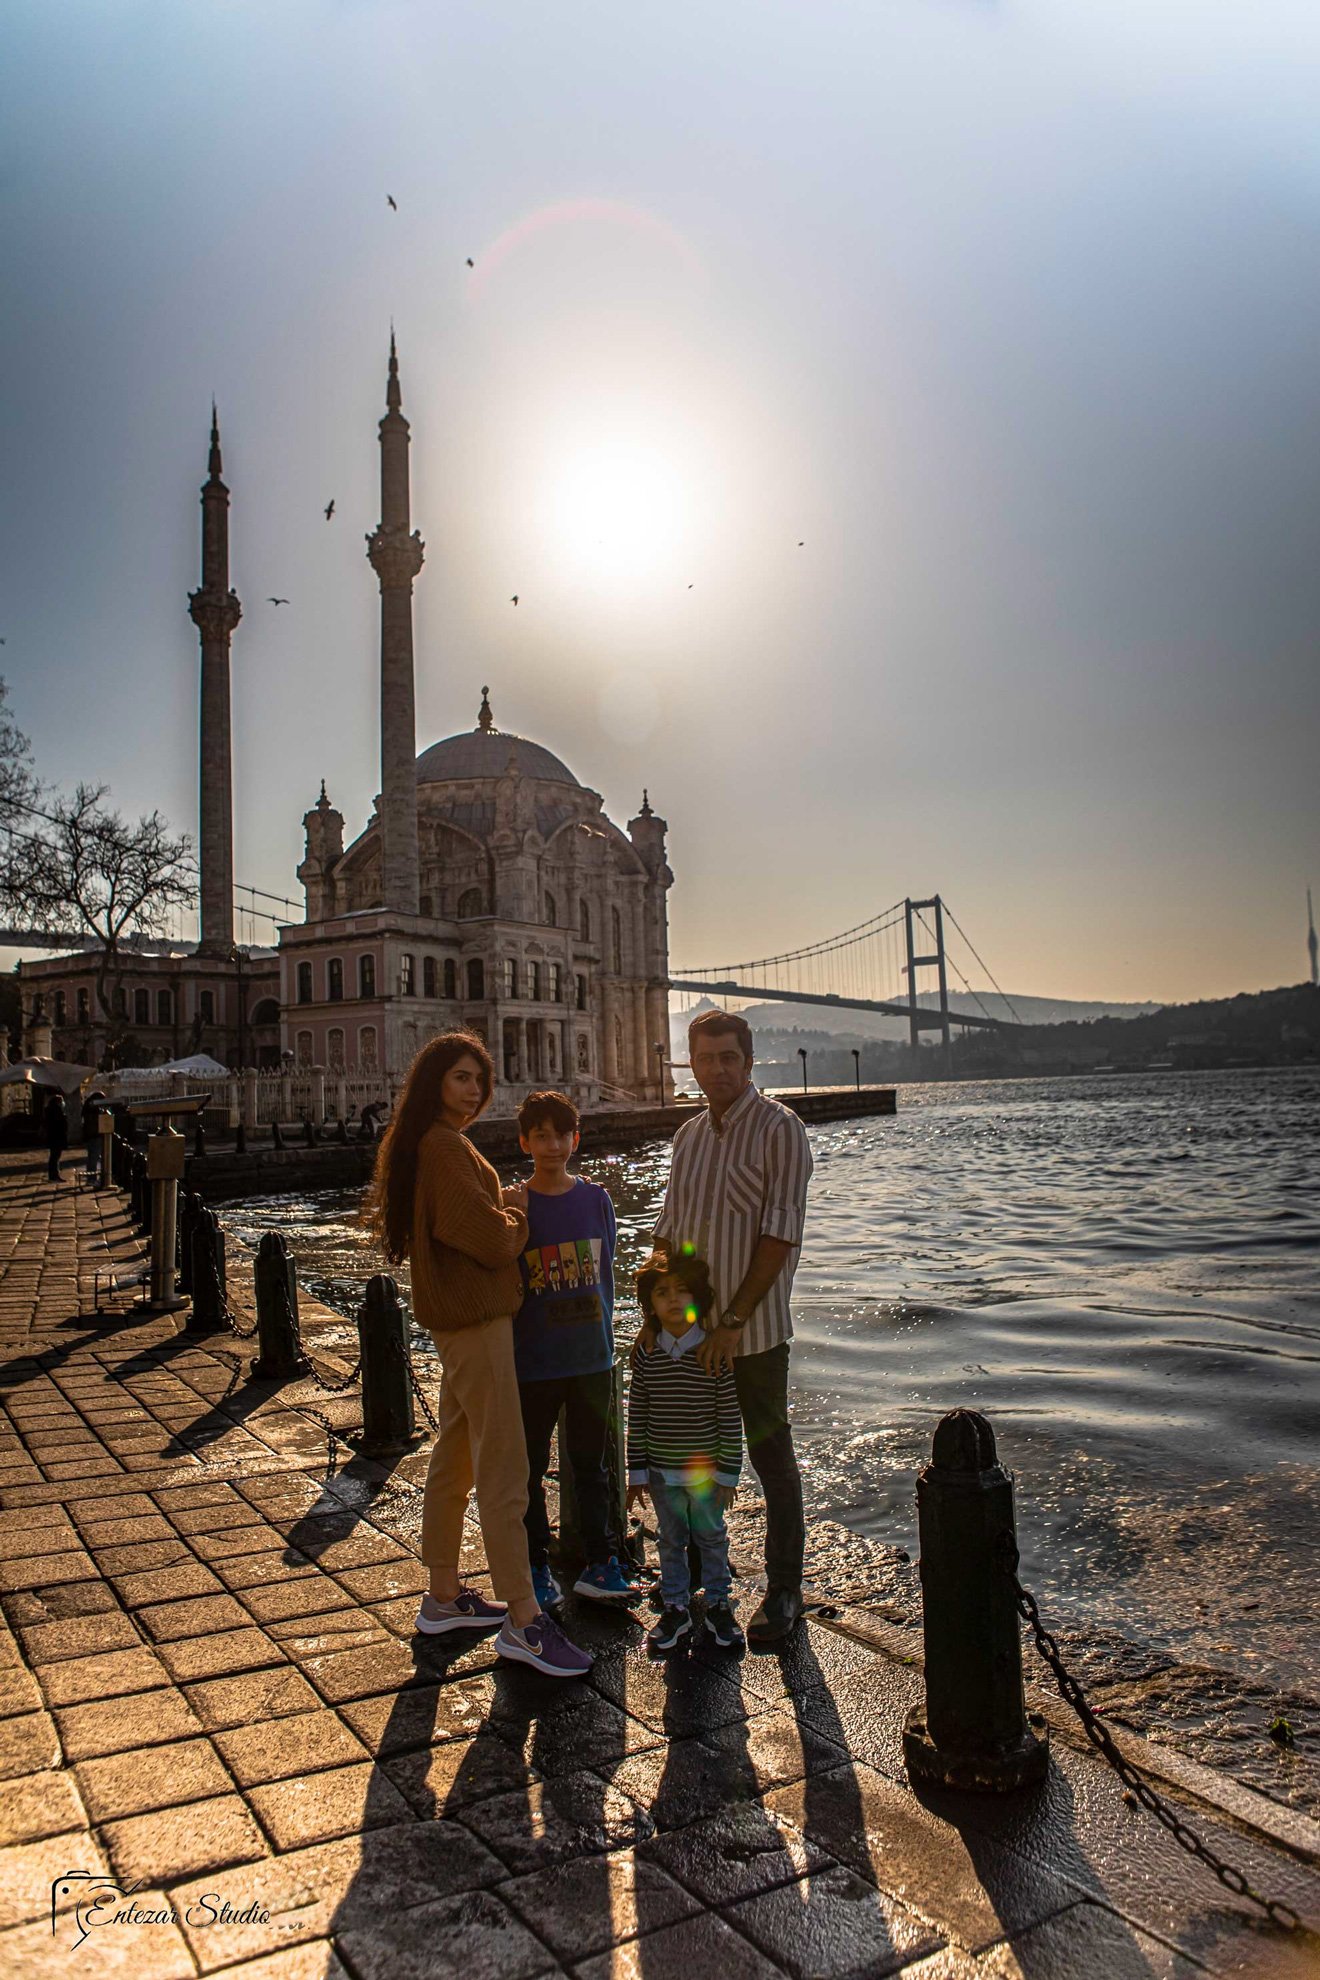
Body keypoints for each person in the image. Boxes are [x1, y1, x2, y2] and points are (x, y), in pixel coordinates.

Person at [364, 1031, 591, 1678]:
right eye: (461, 1077)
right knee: (503, 1466)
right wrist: (515, 1214)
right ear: (435, 1080)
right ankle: (524, 1618)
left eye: (478, 1080)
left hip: (456, 1323)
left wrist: (496, 1211)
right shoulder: (442, 1147)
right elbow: (485, 1240)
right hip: (479, 1320)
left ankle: (442, 1596)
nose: (472, 1090)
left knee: (457, 1454)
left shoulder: (430, 1144)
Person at [639, 1009, 813, 1644]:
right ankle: (693, 1585)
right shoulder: (687, 1136)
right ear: (692, 1061)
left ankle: (785, 1590)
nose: (716, 1069)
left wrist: (733, 1323)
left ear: (748, 1059)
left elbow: (779, 1234)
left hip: (754, 1334)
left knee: (771, 1456)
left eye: (728, 1058)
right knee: (688, 1459)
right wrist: (649, 1321)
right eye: (705, 1058)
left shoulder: (780, 1130)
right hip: (687, 1334)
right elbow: (669, 1232)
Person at [511, 1089, 637, 1609]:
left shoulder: (597, 1199)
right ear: (524, 1142)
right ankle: (537, 1565)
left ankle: (602, 1562)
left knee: (593, 1465)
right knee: (530, 1468)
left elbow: (607, 1271)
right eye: (540, 1135)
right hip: (534, 1360)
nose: (552, 1144)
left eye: (560, 1134)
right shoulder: (514, 1203)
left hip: (592, 1357)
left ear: (575, 1139)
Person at [626, 1244, 744, 1651]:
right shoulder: (647, 1353)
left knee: (712, 1537)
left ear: (697, 1298)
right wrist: (636, 1471)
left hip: (707, 1473)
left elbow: (730, 1418)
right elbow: (637, 1412)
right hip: (661, 1472)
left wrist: (729, 1473)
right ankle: (675, 1606)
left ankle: (718, 1603)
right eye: (662, 1293)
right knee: (669, 1539)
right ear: (650, 1305)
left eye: (681, 1290)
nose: (673, 1299)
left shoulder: (711, 1352)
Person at [43, 1089, 69, 1184]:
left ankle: (54, 1175)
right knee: (55, 1157)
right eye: (61, 1101)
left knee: (54, 1157)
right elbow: (59, 1124)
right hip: (56, 1137)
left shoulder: (50, 1110)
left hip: (53, 1137)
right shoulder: (56, 1111)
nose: (62, 1103)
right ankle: (54, 1176)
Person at [82, 1091, 105, 1184]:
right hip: (95, 1135)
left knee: (92, 1157)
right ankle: (92, 1178)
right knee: (93, 1158)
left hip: (89, 1135)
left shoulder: (87, 1107)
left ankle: (91, 1177)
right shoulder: (93, 1109)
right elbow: (95, 1122)